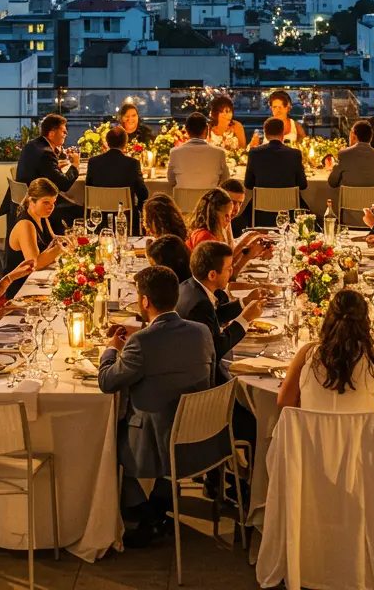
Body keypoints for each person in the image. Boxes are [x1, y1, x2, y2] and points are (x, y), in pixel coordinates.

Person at [98, 264, 215, 547]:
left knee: (103, 438)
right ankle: (160, 497)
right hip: (202, 436)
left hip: (156, 440)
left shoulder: (142, 342)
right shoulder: (201, 332)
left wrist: (112, 349)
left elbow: (107, 382)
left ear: (144, 301)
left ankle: (141, 510)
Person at [278, 289, 374, 425]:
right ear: (365, 321)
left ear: (328, 318)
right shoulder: (373, 360)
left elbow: (284, 406)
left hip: (310, 438)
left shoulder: (307, 355)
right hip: (360, 439)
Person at [176, 240, 267, 380]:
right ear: (212, 275)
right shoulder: (199, 305)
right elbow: (216, 348)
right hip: (203, 378)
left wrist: (244, 302)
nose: (232, 272)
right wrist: (245, 319)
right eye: (228, 269)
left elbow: (214, 316)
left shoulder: (189, 286)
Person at [15, 112, 83, 233]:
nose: (66, 133)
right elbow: (64, 184)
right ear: (51, 133)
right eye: (63, 131)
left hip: (25, 196)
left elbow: (40, 168)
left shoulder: (32, 144)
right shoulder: (46, 153)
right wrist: (75, 165)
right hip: (37, 200)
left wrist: (55, 165)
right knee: (79, 209)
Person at [186, 188, 273, 278]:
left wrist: (250, 248)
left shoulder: (211, 233)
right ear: (214, 214)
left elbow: (227, 264)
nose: (229, 220)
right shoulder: (205, 238)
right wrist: (247, 256)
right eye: (226, 215)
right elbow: (222, 278)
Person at [242, 116, 308, 225]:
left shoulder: (254, 153)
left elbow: (248, 184)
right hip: (289, 211)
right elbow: (303, 185)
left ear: (265, 133)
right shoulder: (294, 154)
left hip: (261, 213)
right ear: (283, 133)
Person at [85, 125, 149, 228]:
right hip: (125, 217)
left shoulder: (93, 162)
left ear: (107, 142)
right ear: (125, 143)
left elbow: (88, 187)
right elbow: (143, 194)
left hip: (99, 217)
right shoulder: (132, 163)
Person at [328, 120, 374, 219]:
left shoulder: (344, 154)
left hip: (349, 216)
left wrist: (335, 167)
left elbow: (332, 182)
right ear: (371, 137)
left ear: (353, 136)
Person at [5, 177, 65, 278]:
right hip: (21, 283)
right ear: (31, 201)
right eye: (46, 202)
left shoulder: (42, 217)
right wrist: (60, 248)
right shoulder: (25, 224)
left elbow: (53, 241)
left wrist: (67, 239)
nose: (51, 207)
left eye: (53, 203)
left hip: (39, 276)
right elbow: (34, 264)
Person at [166, 111, 229, 191]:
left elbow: (171, 180)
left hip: (184, 199)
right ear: (206, 129)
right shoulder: (219, 153)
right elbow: (225, 179)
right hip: (210, 198)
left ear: (186, 130)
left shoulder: (175, 152)